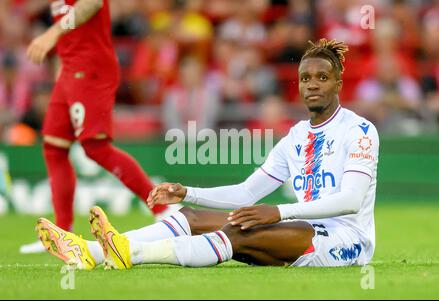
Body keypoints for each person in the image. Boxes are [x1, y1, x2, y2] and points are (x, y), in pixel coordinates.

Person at [36, 39, 379, 269]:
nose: (312, 84)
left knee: (240, 232)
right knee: (193, 216)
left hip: (346, 241)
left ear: (338, 83)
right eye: (306, 78)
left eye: (322, 77)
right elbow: (247, 192)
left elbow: (350, 200)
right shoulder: (296, 136)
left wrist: (278, 211)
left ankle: (131, 253)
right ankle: (90, 252)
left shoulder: (359, 130)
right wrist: (189, 192)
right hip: (301, 226)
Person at [20, 0, 174, 254]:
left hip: (91, 67)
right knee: (54, 148)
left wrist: (51, 33)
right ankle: (62, 234)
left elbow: (90, 4)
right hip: (69, 71)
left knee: (95, 148)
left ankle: (162, 209)